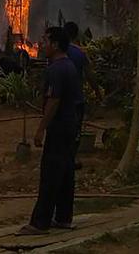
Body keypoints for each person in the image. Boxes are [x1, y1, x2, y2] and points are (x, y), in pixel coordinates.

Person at [19, 26, 81, 235]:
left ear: (55, 45)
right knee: (66, 173)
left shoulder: (56, 69)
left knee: (51, 174)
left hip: (58, 127)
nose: (41, 44)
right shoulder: (70, 66)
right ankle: (63, 217)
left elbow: (53, 101)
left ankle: (40, 222)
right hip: (70, 125)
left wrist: (40, 130)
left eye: (45, 41)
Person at [64, 21, 101, 163]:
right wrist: (97, 92)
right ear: (76, 35)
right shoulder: (80, 53)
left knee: (59, 131)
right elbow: (90, 75)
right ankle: (71, 159)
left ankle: (61, 159)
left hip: (60, 100)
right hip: (76, 100)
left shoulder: (57, 52)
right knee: (75, 132)